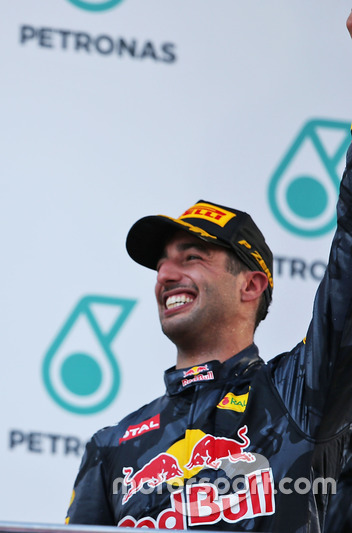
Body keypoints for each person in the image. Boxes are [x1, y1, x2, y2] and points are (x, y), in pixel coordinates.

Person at [65, 17, 352, 532]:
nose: (167, 273)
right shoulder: (113, 447)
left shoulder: (298, 395)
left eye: (193, 256)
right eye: (162, 262)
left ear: (251, 285)